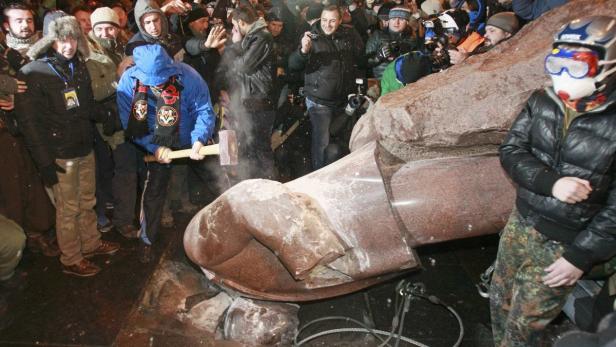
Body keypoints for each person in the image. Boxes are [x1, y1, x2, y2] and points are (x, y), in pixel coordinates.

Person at [491, 15, 616, 346]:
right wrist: (551, 183)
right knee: (500, 301)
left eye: (578, 65)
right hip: (522, 223)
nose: (563, 74)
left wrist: (580, 257)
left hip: (566, 242)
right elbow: (511, 151)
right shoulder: (542, 100)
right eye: (558, 62)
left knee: (525, 325)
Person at [15, 13, 120, 277]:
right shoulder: (33, 72)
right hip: (59, 155)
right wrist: (45, 163)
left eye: (73, 38)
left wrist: (105, 115)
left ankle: (91, 243)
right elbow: (29, 124)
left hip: (83, 147)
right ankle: (71, 258)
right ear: (52, 40)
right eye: (62, 39)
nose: (68, 45)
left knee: (87, 201)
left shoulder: (78, 66)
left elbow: (82, 106)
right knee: (68, 208)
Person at [117, 44, 216, 263]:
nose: (160, 84)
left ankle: (235, 226)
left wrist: (199, 140)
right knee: (154, 191)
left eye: (163, 78)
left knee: (216, 180)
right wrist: (154, 147)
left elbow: (204, 110)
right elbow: (130, 124)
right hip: (156, 139)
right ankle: (147, 240)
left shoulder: (188, 76)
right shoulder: (128, 84)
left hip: (190, 136)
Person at [288, 5, 365, 170]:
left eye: (332, 21)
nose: (327, 25)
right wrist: (303, 50)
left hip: (342, 100)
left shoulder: (349, 35)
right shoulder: (311, 37)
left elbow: (360, 61)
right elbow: (292, 65)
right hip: (319, 102)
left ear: (339, 20)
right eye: (324, 20)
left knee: (343, 141)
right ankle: (318, 177)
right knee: (321, 143)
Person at [86, 6, 141, 239]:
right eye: (100, 28)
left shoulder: (121, 48)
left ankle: (128, 215)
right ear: (93, 29)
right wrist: (119, 76)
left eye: (111, 27)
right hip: (109, 125)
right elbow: (94, 92)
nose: (106, 32)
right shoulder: (89, 54)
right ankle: (123, 221)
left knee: (130, 169)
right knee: (124, 172)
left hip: (128, 117)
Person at [221, 5, 276, 179]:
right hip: (251, 101)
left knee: (260, 149)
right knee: (251, 148)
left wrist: (235, 44)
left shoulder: (261, 37)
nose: (234, 30)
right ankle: (256, 184)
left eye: (235, 26)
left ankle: (269, 185)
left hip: (259, 102)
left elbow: (242, 65)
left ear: (241, 22)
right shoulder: (255, 36)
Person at [366, 6, 418, 79]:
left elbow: (418, 61)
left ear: (407, 22)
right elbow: (365, 62)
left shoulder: (411, 38)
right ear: (389, 20)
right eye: (393, 19)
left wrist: (405, 52)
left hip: (405, 80)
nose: (396, 22)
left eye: (401, 19)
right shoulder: (377, 35)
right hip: (383, 79)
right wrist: (379, 57)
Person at [2, 3, 41, 72]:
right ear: (6, 26)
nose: (25, 25)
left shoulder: (47, 38)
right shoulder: (6, 56)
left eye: (29, 20)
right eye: (19, 21)